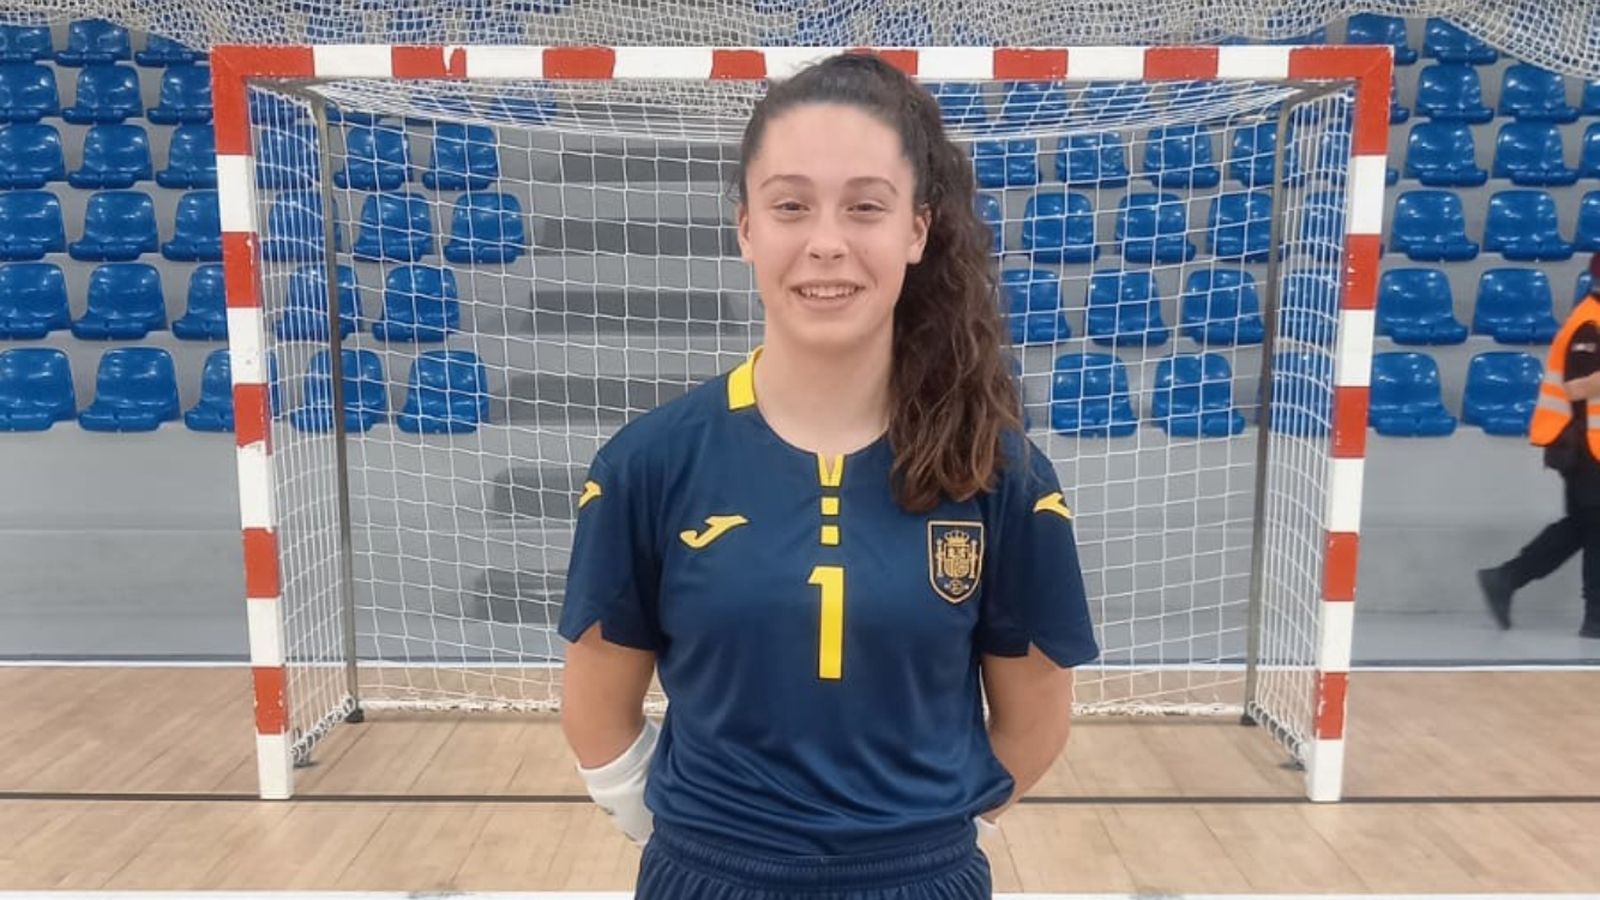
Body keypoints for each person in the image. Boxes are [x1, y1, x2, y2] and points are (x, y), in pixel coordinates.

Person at [556, 53, 1100, 898]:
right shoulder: (649, 464)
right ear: (746, 228)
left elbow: (1035, 719)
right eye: (791, 205)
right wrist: (680, 837)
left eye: (865, 208)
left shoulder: (1001, 475)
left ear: (917, 230)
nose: (826, 242)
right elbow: (597, 700)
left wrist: (931, 835)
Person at [1478, 252, 1600, 639]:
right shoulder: (1589, 324)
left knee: (1582, 527)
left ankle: (1506, 578)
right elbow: (1576, 387)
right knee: (1594, 529)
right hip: (1584, 448)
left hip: (1587, 447)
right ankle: (1595, 618)